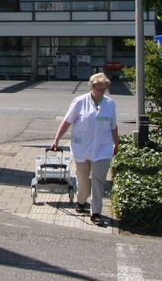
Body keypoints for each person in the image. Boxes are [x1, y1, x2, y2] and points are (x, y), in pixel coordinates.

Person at [50, 72, 120, 225]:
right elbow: (67, 121)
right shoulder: (79, 101)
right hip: (81, 147)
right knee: (82, 179)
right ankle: (81, 201)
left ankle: (95, 213)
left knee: (98, 180)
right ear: (92, 86)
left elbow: (113, 126)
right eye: (99, 88)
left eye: (104, 89)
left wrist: (116, 143)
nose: (101, 92)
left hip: (102, 148)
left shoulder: (110, 104)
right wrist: (57, 139)